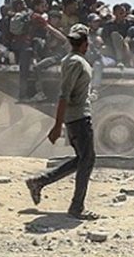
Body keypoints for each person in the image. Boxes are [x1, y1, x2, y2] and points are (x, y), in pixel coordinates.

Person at [25, 24, 99, 220]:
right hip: (79, 118)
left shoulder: (72, 60)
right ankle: (76, 207)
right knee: (87, 160)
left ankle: (40, 181)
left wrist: (87, 96)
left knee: (83, 158)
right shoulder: (76, 62)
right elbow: (64, 95)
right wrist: (57, 125)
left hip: (77, 116)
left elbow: (73, 92)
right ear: (85, 43)